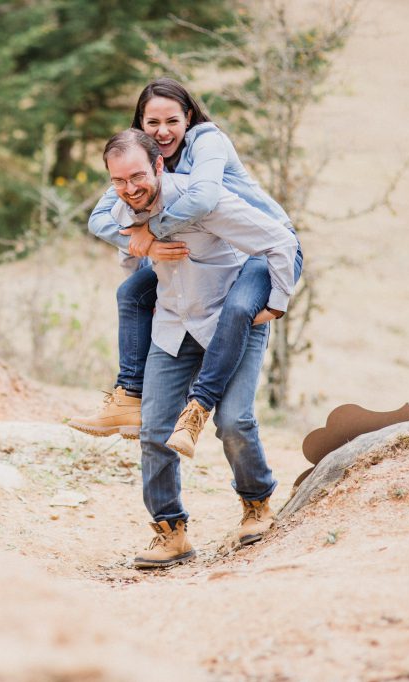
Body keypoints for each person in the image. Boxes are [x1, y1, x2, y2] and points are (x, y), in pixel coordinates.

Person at [67, 78, 304, 459]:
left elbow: (205, 197)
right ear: (139, 125)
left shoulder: (206, 142)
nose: (162, 131)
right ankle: (128, 394)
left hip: (264, 246)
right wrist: (140, 245)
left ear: (188, 117)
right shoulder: (141, 161)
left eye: (171, 121)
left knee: (240, 309)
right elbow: (99, 218)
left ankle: (199, 408)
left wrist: (150, 231)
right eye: (152, 123)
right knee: (132, 292)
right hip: (220, 248)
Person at [99, 129, 296, 568]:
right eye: (118, 180)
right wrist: (144, 247)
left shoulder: (203, 199)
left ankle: (257, 504)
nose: (130, 188)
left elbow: (278, 240)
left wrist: (276, 305)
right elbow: (130, 263)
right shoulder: (122, 210)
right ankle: (171, 533)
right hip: (171, 328)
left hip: (229, 322)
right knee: (153, 433)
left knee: (234, 421)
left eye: (137, 176)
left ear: (159, 166)